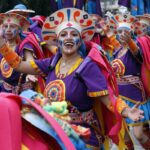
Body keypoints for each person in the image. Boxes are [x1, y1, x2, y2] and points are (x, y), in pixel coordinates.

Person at [0, 8, 144, 149]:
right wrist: (2, 46)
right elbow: (18, 64)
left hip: (82, 137)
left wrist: (127, 111)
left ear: (80, 40)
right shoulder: (51, 63)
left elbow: (109, 99)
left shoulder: (87, 67)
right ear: (57, 41)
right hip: (56, 132)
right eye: (63, 35)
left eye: (73, 34)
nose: (68, 37)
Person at [107, 13, 150, 149]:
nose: (122, 34)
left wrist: (131, 42)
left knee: (138, 135)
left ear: (131, 32)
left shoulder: (135, 46)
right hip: (120, 95)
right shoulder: (117, 51)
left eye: (125, 31)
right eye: (119, 31)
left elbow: (138, 54)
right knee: (125, 136)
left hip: (135, 95)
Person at [0, 12, 44, 94]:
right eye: (5, 26)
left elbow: (31, 63)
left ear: (19, 29)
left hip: (23, 93)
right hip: (3, 91)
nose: (8, 29)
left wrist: (30, 74)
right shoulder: (2, 45)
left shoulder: (24, 45)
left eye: (12, 26)